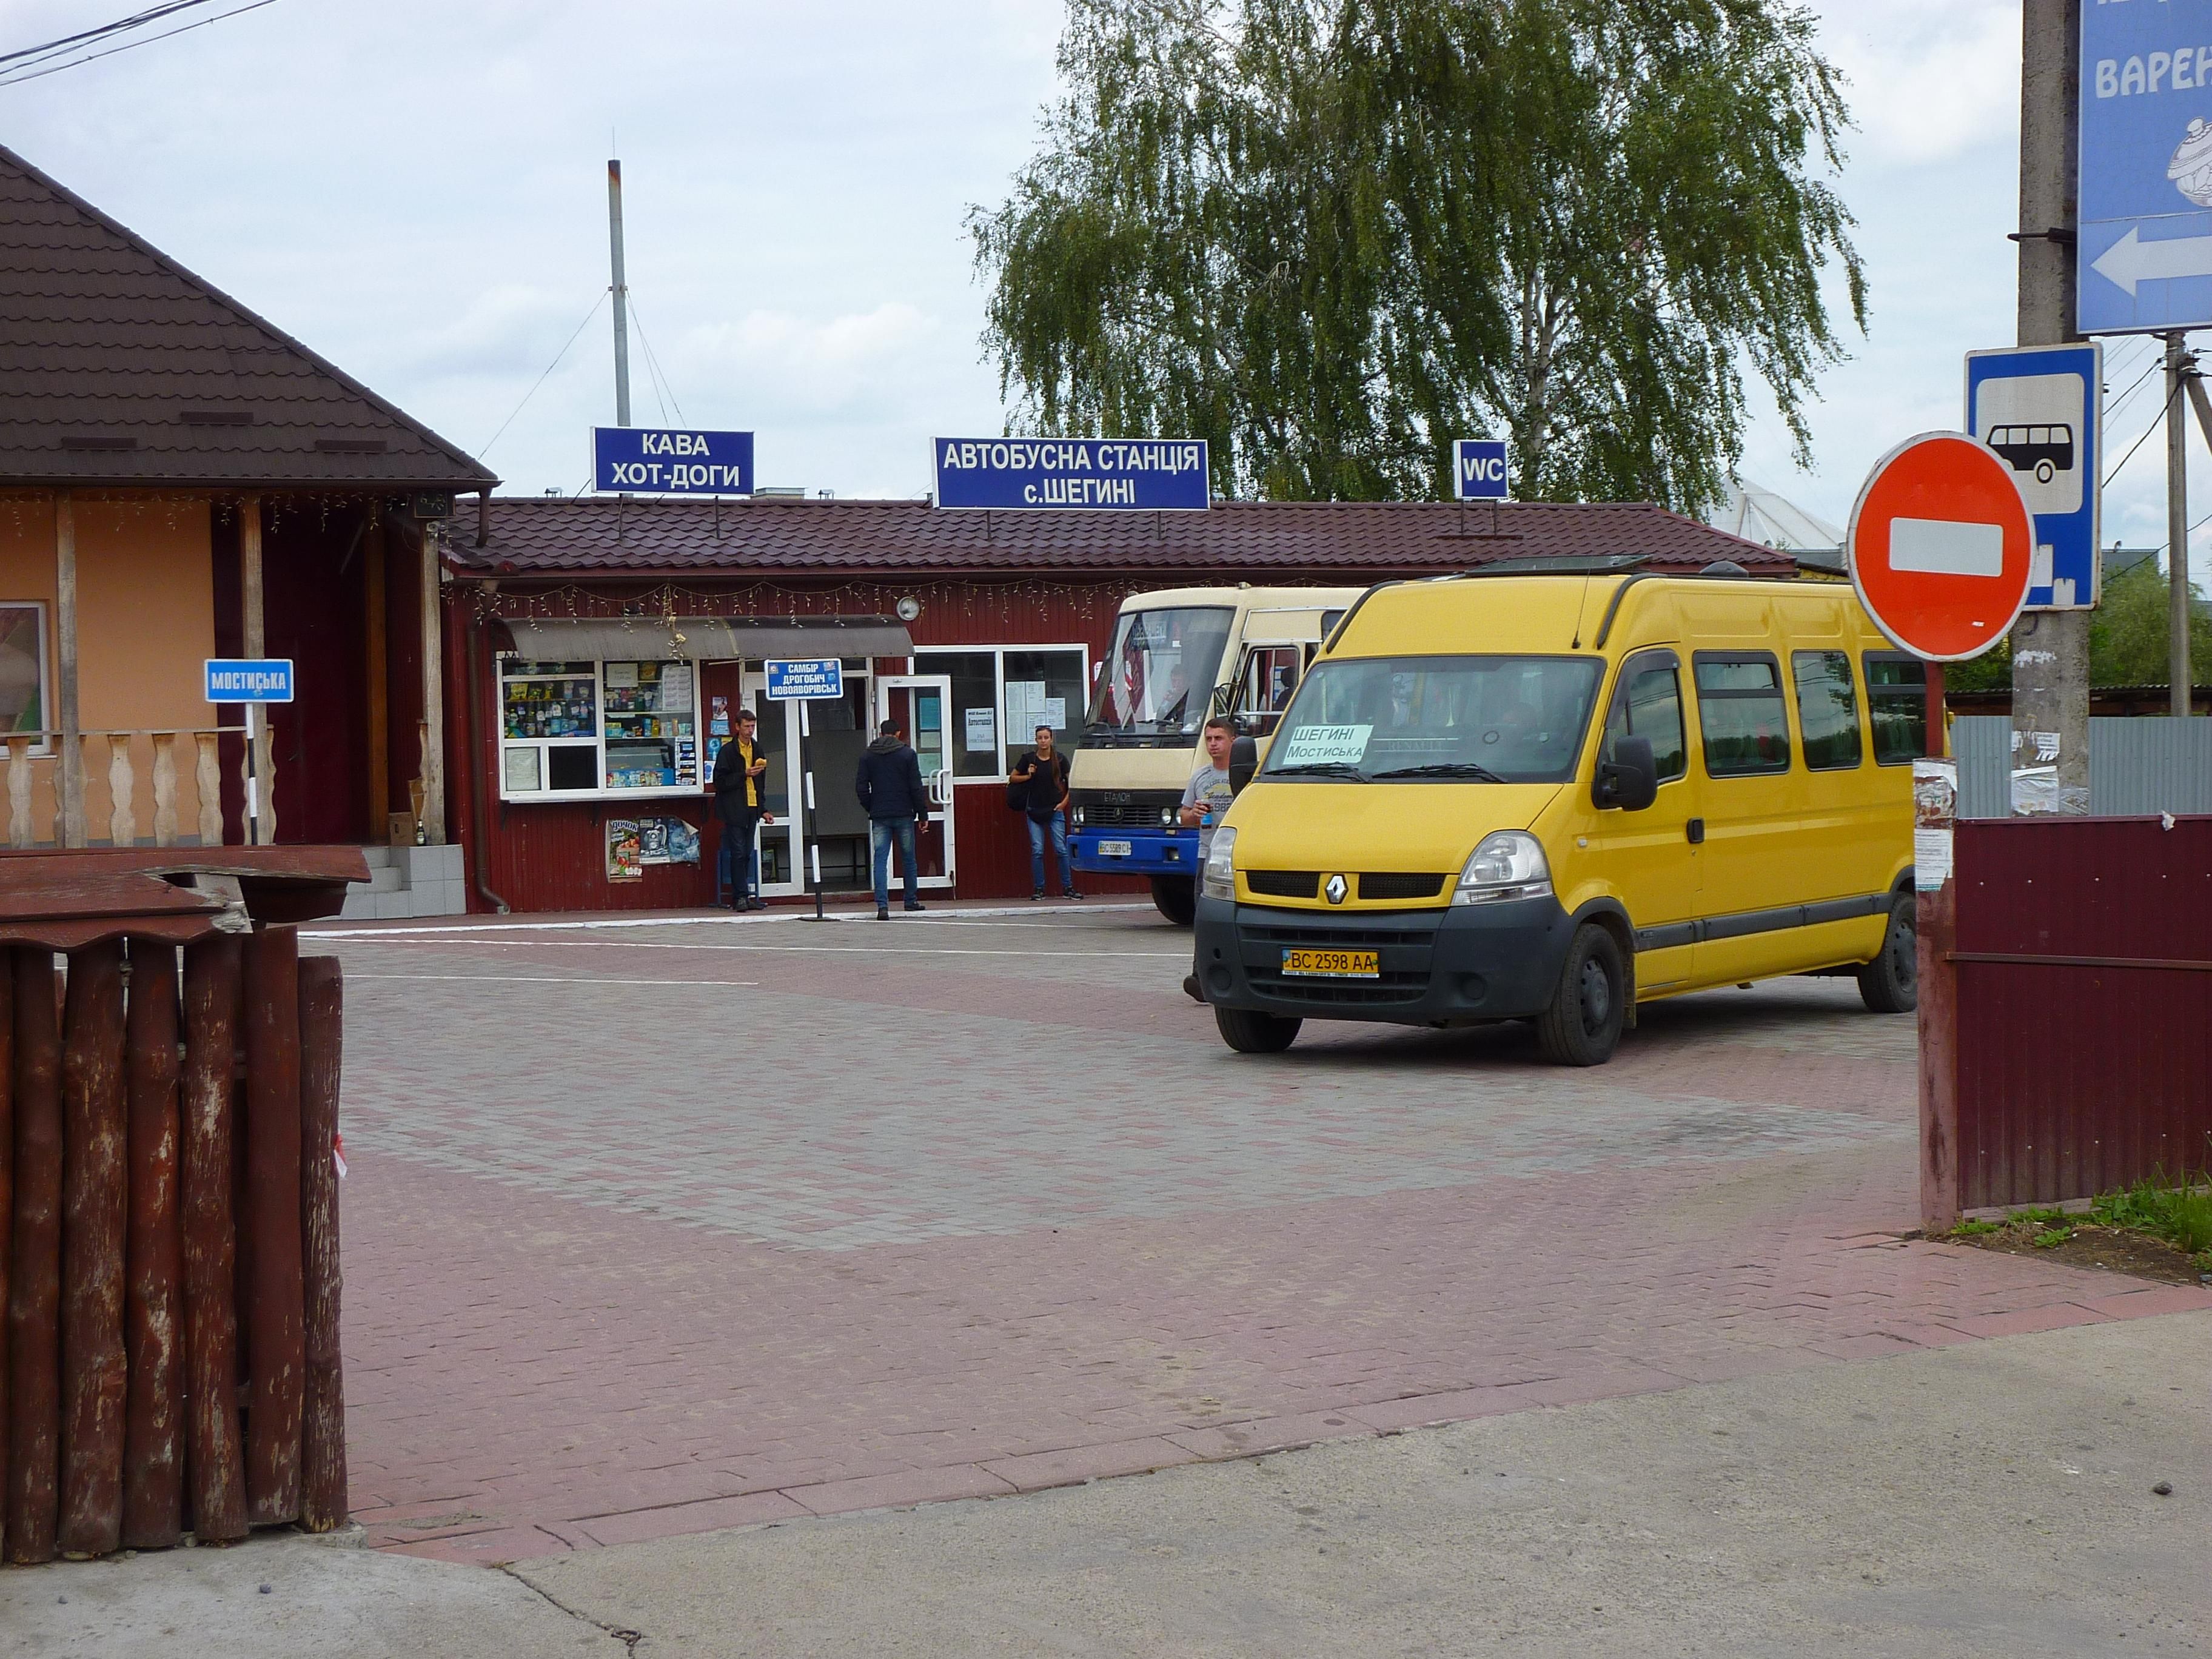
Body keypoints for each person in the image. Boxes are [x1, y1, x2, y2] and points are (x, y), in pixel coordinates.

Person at [1182, 716, 1237, 1002]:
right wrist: (1194, 814)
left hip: (1239, 856)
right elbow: (1184, 815)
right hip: (1208, 855)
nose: (1213, 744)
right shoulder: (1200, 777)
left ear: (1233, 742)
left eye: (1219, 739)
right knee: (1203, 918)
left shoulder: (1244, 775)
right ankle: (1199, 977)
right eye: (1209, 739)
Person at [856, 717, 930, 919]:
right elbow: (916, 786)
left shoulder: (868, 756)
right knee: (908, 859)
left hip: (880, 815)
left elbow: (861, 787)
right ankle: (910, 901)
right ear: (898, 733)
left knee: (880, 859)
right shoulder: (907, 754)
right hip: (904, 813)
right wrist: (923, 814)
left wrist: (872, 806)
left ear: (880, 734)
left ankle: (882, 906)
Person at [710, 709, 773, 911]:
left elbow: (761, 783)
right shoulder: (728, 751)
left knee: (746, 853)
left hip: (752, 807)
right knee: (737, 852)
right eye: (746, 726)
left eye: (753, 726)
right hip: (734, 808)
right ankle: (740, 898)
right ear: (737, 727)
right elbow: (719, 781)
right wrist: (743, 774)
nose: (750, 730)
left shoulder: (757, 749)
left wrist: (763, 809)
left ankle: (744, 894)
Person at [1010, 723, 1079, 900]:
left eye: (1046, 738)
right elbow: (1013, 778)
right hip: (1034, 810)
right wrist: (1028, 775)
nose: (1043, 741)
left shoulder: (1061, 759)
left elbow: (1072, 783)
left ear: (1051, 739)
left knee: (1061, 849)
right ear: (1036, 740)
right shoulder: (1029, 759)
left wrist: (1064, 803)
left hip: (1055, 810)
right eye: (1040, 738)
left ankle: (1068, 887)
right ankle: (1039, 888)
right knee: (1038, 850)